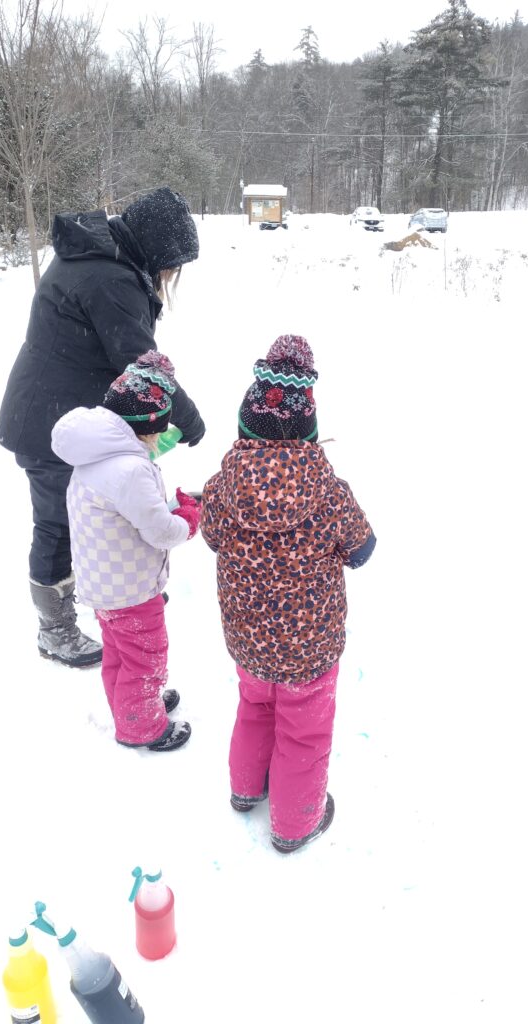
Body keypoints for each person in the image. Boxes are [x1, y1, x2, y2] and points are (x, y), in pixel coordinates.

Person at [0, 187, 205, 668]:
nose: (169, 276)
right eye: (171, 264)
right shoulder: (109, 278)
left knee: (98, 511)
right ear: (155, 247)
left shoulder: (101, 256)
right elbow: (140, 363)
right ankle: (56, 629)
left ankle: (120, 595)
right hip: (49, 425)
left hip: (66, 416)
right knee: (58, 524)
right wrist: (187, 417)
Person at [200, 335, 376, 852]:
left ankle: (245, 789)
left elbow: (210, 537)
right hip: (310, 647)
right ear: (311, 432)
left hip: (249, 639)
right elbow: (363, 550)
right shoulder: (329, 491)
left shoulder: (222, 485)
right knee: (303, 731)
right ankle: (295, 823)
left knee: (255, 709)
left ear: (244, 424)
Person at [51, 352, 200, 752]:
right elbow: (160, 532)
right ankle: (141, 726)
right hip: (133, 591)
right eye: (157, 434)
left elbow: (125, 515)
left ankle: (131, 706)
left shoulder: (93, 459)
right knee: (146, 660)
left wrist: (165, 506)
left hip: (103, 585)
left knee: (119, 654)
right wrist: (188, 517)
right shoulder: (130, 470)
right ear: (146, 428)